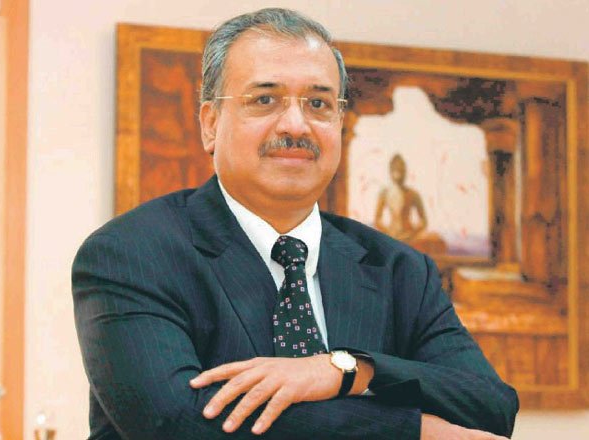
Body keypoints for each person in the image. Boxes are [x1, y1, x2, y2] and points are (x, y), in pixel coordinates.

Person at [72, 8, 518, 440]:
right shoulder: (132, 254)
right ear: (210, 124)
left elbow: (491, 408)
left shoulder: (399, 270)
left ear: (339, 122)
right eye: (265, 100)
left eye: (318, 103)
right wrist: (415, 431)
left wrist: (347, 370)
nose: (296, 124)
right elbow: (178, 423)